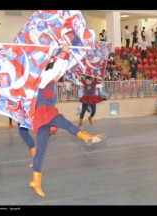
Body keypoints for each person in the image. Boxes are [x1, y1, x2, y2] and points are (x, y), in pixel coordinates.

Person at [29, 43, 106, 197]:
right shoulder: (43, 79)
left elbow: (60, 69)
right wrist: (63, 53)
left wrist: (70, 54)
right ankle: (85, 137)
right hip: (45, 112)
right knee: (66, 123)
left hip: (41, 115)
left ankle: (35, 181)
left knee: (40, 151)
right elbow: (57, 69)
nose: (57, 75)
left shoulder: (46, 79)